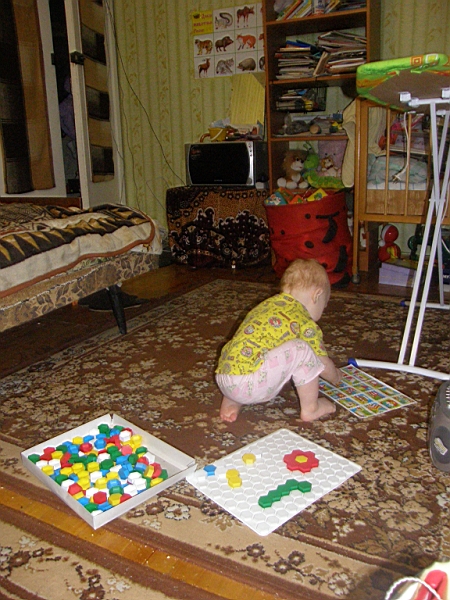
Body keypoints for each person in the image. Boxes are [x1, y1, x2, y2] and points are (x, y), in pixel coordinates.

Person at [215, 258, 343, 423]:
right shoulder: (305, 322)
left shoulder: (267, 306)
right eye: (324, 304)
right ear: (316, 295)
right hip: (250, 386)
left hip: (224, 377)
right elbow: (322, 363)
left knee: (249, 345)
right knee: (303, 349)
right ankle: (311, 408)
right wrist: (336, 377)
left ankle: (232, 400)